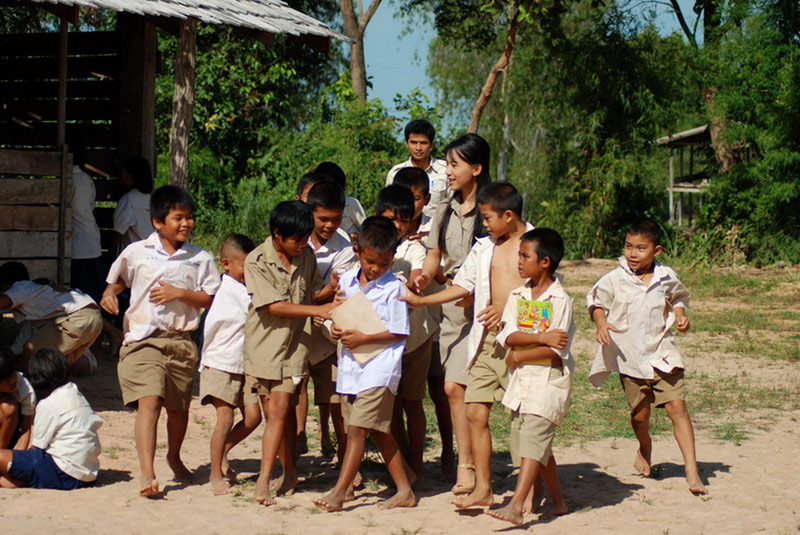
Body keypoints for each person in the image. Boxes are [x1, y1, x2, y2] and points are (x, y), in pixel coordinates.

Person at [404, 181, 533, 508]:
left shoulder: (536, 243)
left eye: (488, 218)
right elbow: (463, 285)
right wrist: (420, 302)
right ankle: (483, 487)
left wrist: (508, 308)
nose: (484, 224)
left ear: (508, 215)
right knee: (475, 410)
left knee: (526, 416)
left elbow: (545, 293)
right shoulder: (484, 247)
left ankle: (532, 487)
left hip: (526, 342)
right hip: (486, 341)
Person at [101, 185, 221, 498]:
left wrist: (180, 293)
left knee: (179, 409)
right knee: (149, 402)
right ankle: (147, 473)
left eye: (190, 217)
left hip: (181, 341)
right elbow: (116, 282)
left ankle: (174, 456)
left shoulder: (200, 258)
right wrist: (108, 296)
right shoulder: (137, 252)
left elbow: (210, 298)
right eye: (178, 218)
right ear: (157, 222)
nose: (186, 224)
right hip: (143, 339)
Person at [587, 219, 708, 495]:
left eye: (641, 248)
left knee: (678, 407)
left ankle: (692, 470)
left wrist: (680, 315)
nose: (633, 253)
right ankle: (645, 446)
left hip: (663, 355)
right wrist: (600, 323)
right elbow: (595, 301)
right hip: (630, 358)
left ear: (657, 250)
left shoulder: (666, 277)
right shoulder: (615, 278)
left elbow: (679, 297)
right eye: (629, 246)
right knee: (640, 415)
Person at [314, 216, 415, 512]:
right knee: (378, 430)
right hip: (351, 366)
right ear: (358, 251)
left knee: (357, 428)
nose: (376, 269)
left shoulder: (394, 287)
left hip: (381, 367)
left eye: (383, 265)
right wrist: (333, 328)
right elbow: (338, 313)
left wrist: (364, 337)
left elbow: (399, 331)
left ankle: (340, 491)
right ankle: (405, 486)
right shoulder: (345, 280)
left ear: (392, 259)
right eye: (371, 262)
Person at [410, 133, 492, 496]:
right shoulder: (442, 209)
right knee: (455, 389)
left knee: (462, 390)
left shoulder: (494, 210)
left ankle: (472, 465)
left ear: (477, 168)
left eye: (455, 164)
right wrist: (424, 275)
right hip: (452, 311)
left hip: (485, 311)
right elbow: (434, 256)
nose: (448, 172)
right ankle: (469, 464)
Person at [243, 200, 337, 506]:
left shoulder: (306, 255)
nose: (304, 244)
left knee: (280, 411)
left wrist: (333, 291)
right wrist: (318, 308)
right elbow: (275, 306)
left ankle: (264, 479)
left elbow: (312, 292)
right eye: (297, 239)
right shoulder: (256, 260)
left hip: (296, 346)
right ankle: (291, 470)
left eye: (306, 238)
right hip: (265, 347)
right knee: (274, 416)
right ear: (277, 234)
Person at [486, 228, 573, 526]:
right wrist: (540, 336)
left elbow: (555, 350)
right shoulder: (517, 295)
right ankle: (559, 501)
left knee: (534, 439)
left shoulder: (560, 300)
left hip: (548, 383)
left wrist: (523, 352)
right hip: (522, 383)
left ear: (545, 261)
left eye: (525, 255)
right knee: (535, 446)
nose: (519, 261)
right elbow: (508, 335)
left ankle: (517, 504)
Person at [392, 168, 454, 477]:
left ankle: (445, 452)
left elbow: (431, 273)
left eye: (415, 199)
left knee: (435, 392)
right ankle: (404, 467)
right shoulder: (377, 237)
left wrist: (421, 275)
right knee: (393, 405)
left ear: (425, 199)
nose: (401, 220)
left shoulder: (431, 233)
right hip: (389, 339)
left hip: (427, 327)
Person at [375, 185, 436, 490]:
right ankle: (401, 469)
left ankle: (418, 466)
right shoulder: (369, 247)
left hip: (413, 341)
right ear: (377, 216)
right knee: (392, 407)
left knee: (413, 404)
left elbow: (417, 275)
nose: (397, 226)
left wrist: (417, 281)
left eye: (404, 220)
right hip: (384, 343)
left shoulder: (412, 250)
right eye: (391, 219)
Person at [199, 234, 262, 495]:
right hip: (221, 363)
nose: (250, 272)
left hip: (244, 365)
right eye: (244, 267)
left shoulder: (246, 288)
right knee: (224, 419)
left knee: (253, 418)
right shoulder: (227, 290)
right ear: (226, 264)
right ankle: (215, 473)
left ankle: (224, 449)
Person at [300, 181, 357, 462]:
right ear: (310, 213)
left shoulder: (345, 247)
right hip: (295, 327)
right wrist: (322, 292)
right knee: (293, 389)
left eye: (335, 220)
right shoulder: (294, 235)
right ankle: (295, 451)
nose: (329, 226)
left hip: (327, 329)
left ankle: (346, 458)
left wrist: (314, 297)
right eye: (323, 219)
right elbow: (309, 294)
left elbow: (337, 294)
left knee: (336, 396)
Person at [0, 348, 102, 490]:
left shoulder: (48, 405)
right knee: (11, 472)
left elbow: (37, 448)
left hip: (63, 472)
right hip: (87, 474)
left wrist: (17, 460)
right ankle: (16, 480)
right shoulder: (77, 395)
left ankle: (19, 478)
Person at [0, 262, 103, 376]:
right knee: (57, 364)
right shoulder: (40, 292)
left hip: (78, 317)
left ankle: (33, 385)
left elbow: (2, 302)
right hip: (95, 317)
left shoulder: (21, 287)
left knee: (30, 349)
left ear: (5, 286)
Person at [386, 119, 448, 220]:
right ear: (406, 143)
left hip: (437, 232)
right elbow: (389, 208)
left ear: (431, 144)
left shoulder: (445, 171)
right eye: (414, 142)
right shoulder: (395, 173)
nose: (418, 148)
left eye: (423, 143)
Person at [113, 156, 155, 251]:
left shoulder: (128, 200)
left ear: (130, 176)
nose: (121, 176)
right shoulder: (151, 198)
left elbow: (118, 233)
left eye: (123, 173)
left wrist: (110, 253)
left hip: (135, 256)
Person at [315, 161, 366, 238]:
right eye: (324, 219)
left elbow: (366, 231)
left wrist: (352, 237)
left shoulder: (350, 204)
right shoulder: (314, 204)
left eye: (337, 219)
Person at [0, 350, 35, 450]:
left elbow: (26, 429)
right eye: (6, 380)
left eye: (12, 374)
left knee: (8, 407)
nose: (12, 381)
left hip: (8, 432)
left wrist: (16, 457)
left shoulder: (26, 392)